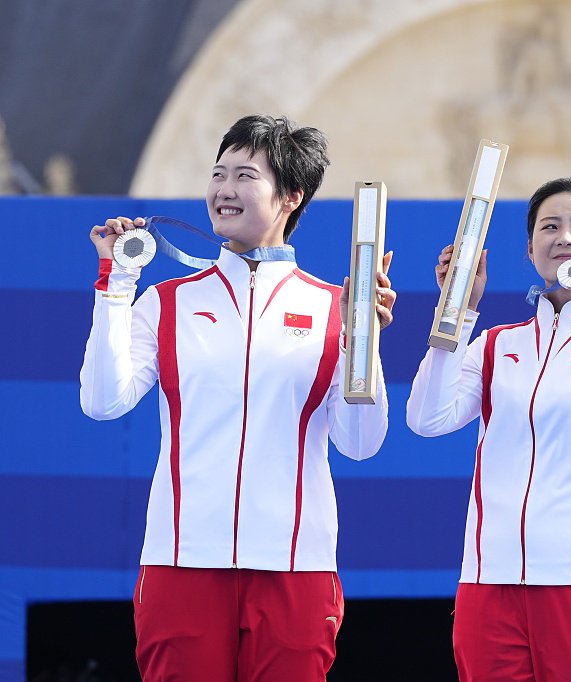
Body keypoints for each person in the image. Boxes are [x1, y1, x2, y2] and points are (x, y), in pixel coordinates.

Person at [80, 114, 396, 680]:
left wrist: (359, 342)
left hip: (295, 565)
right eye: (218, 173)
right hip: (182, 560)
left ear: (290, 197)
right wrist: (116, 283)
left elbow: (360, 444)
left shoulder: (334, 307)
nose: (224, 188)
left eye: (245, 175)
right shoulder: (166, 301)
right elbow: (104, 401)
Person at [407, 176, 571, 681]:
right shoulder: (493, 343)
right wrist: (456, 314)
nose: (565, 238)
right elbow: (426, 419)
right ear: (530, 250)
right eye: (550, 227)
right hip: (489, 583)